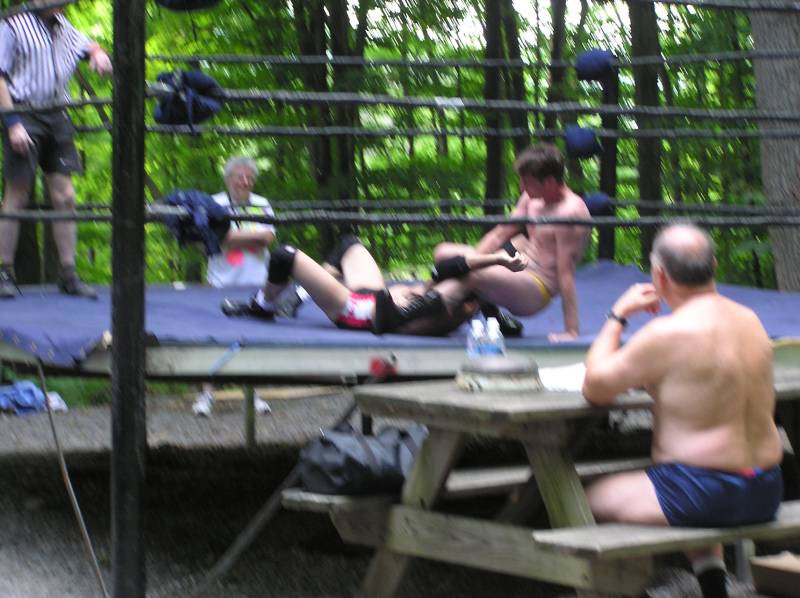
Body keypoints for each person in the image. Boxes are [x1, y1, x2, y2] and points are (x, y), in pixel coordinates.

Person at [582, 224, 783, 598]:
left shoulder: (667, 333)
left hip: (700, 494)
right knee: (684, 485)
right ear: (714, 267)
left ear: (659, 276)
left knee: (582, 497)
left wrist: (618, 315)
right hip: (765, 488)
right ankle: (714, 589)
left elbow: (595, 385)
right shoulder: (751, 320)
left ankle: (620, 589)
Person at [0, 3, 112, 299]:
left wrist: (98, 54)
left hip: (58, 114)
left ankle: (68, 273)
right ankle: (4, 271)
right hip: (24, 111)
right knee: (18, 192)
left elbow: (87, 45)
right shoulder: (13, 24)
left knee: (66, 196)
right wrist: (12, 123)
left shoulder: (63, 26)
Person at [431, 143, 590, 341]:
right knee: (443, 253)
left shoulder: (570, 213)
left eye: (527, 182)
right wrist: (468, 263)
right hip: (517, 265)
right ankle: (479, 310)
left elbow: (566, 273)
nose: (522, 187)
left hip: (538, 286)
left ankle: (413, 307)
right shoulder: (531, 198)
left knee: (474, 275)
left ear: (549, 182)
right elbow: (499, 235)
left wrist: (571, 330)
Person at [220, 235, 525, 337]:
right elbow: (443, 269)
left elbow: (464, 272)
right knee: (349, 245)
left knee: (285, 255)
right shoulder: (454, 294)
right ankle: (301, 293)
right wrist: (498, 258)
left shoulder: (453, 304)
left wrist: (497, 260)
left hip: (357, 311)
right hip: (374, 295)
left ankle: (263, 305)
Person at [193, 156, 283, 416]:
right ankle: (206, 395)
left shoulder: (261, 204)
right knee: (212, 339)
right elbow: (216, 239)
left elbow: (267, 238)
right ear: (228, 179)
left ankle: (254, 395)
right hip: (220, 284)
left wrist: (231, 237)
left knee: (253, 341)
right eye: (239, 177)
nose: (245, 182)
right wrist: (244, 238)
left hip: (256, 284)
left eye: (249, 177)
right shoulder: (214, 204)